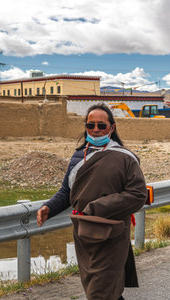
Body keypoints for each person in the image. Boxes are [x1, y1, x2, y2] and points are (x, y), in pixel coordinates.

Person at [36, 104, 148, 300]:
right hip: (84, 234)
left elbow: (138, 194)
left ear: (111, 128)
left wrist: (96, 208)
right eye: (91, 125)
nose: (96, 130)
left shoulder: (125, 158)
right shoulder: (79, 156)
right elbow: (67, 191)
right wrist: (49, 207)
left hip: (111, 232)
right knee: (102, 291)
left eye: (101, 126)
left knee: (100, 292)